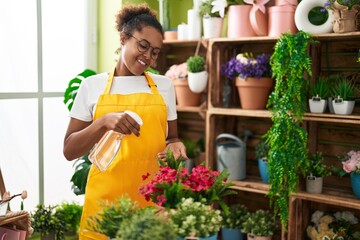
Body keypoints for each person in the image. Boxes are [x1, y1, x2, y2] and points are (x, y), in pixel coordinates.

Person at [63, 3, 188, 239]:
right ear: (123, 38)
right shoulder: (93, 86)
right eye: (143, 46)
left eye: (155, 52)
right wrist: (103, 122)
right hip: (105, 204)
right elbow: (69, 149)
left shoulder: (164, 86)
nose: (148, 57)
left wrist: (175, 146)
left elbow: (172, 137)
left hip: (151, 201)